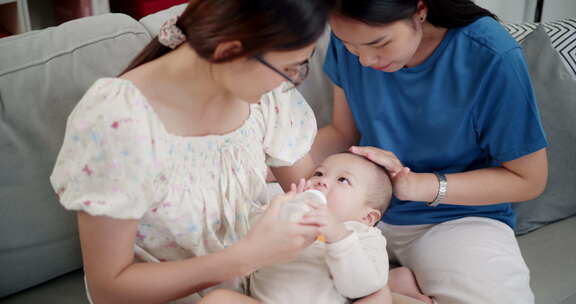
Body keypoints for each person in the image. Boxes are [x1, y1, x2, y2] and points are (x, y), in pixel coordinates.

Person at [49, 0, 334, 303]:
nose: (291, 81)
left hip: (259, 282)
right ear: (229, 52)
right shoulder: (118, 120)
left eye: (301, 66)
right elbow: (109, 289)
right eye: (288, 69)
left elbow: (315, 198)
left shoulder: (265, 96)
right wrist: (245, 257)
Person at [312, 0, 548, 303]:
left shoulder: (490, 55)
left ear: (420, 9)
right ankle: (392, 290)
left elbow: (528, 179)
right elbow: (343, 134)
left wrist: (418, 185)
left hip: (455, 218)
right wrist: (266, 161)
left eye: (378, 44)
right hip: (353, 208)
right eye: (351, 47)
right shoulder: (351, 35)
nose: (366, 61)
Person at [199, 153, 433, 304]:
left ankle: (400, 289)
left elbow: (362, 286)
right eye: (318, 173)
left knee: (378, 296)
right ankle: (400, 285)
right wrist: (277, 214)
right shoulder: (284, 212)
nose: (321, 181)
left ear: (368, 216)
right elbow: (246, 242)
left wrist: (338, 237)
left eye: (343, 180)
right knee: (217, 299)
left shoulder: (361, 235)